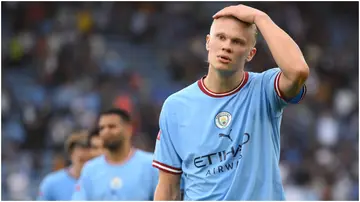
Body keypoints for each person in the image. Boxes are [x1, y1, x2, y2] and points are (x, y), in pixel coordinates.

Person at [152, 4, 309, 201]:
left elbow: (298, 71)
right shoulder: (175, 106)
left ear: (250, 54)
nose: (227, 46)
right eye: (221, 37)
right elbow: (168, 188)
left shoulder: (264, 89)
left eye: (237, 41)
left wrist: (260, 18)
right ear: (208, 42)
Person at [72, 108, 158, 200]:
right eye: (102, 128)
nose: (106, 132)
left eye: (112, 127)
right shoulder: (90, 169)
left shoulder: (151, 164)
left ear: (129, 129)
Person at [37, 131, 91, 200]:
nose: (87, 164)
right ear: (71, 155)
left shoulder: (100, 181)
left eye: (90, 160)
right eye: (81, 160)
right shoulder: (51, 183)